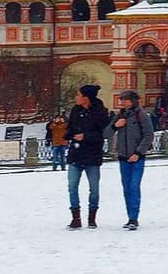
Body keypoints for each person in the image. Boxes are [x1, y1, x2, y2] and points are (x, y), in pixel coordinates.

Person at [105, 88, 154, 231]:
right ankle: (130, 217)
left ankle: (134, 217)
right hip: (123, 157)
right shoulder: (119, 116)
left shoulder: (142, 115)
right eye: (122, 100)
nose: (123, 103)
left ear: (133, 101)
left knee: (134, 186)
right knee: (126, 188)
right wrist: (115, 125)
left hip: (137, 157)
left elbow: (149, 135)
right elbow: (106, 133)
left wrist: (138, 152)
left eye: (126, 100)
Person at [65, 84, 109, 229]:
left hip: (92, 155)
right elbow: (70, 128)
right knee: (72, 187)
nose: (76, 98)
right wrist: (69, 135)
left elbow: (103, 133)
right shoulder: (75, 111)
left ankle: (92, 217)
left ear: (86, 98)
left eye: (78, 95)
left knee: (94, 188)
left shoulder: (100, 112)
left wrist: (86, 136)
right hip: (76, 155)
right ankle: (75, 217)